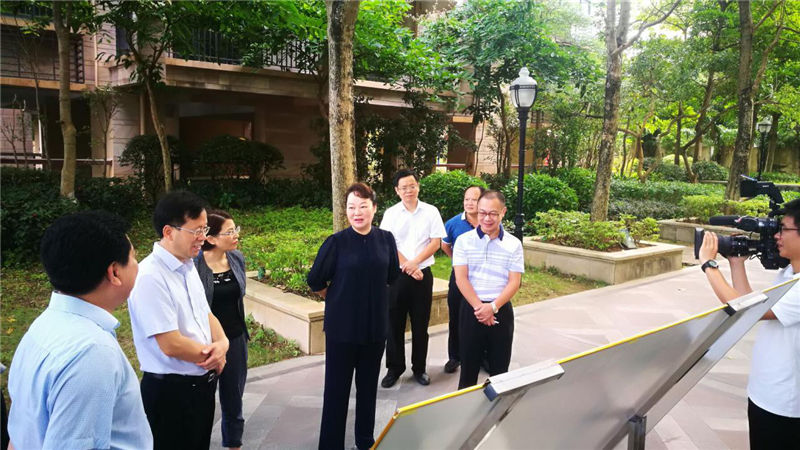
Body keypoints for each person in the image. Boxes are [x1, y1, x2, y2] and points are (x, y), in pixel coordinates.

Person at [7, 211, 152, 449]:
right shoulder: (91, 354)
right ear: (114, 272)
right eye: (133, 257)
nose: (137, 265)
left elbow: (21, 432)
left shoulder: (43, 327)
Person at [128, 190, 229, 450]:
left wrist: (223, 344)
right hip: (171, 393)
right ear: (169, 232)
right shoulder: (150, 276)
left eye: (205, 229)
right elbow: (170, 343)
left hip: (200, 387)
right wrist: (214, 356)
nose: (203, 237)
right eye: (196, 230)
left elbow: (206, 314)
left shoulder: (188, 266)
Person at [698, 197, 800, 449]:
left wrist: (709, 265)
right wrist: (736, 263)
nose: (776, 236)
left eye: (783, 229)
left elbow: (747, 307)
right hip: (764, 393)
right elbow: (752, 306)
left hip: (785, 404)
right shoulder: (789, 273)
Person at [307, 183, 400, 449]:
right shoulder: (336, 243)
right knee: (336, 391)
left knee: (368, 389)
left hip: (374, 329)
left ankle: (365, 440)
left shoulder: (386, 239)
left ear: (374, 208)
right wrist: (335, 296)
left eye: (362, 206)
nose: (357, 212)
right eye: (351, 207)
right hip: (342, 330)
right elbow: (315, 280)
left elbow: (392, 274)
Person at [379, 169, 446, 388]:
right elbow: (388, 243)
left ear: (418, 186)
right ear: (397, 191)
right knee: (393, 324)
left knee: (420, 324)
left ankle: (419, 368)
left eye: (412, 186)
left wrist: (414, 263)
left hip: (422, 275)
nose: (409, 190)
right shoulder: (391, 214)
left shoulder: (431, 211)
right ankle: (394, 368)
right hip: (396, 276)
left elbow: (435, 242)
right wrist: (407, 266)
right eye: (404, 187)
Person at [453, 190, 524, 390]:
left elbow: (514, 282)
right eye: (482, 212)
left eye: (493, 213)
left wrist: (492, 307)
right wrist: (480, 308)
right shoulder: (464, 241)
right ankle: (465, 408)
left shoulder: (513, 244)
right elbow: (461, 278)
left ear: (503, 212)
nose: (486, 218)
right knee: (468, 371)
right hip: (471, 310)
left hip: (500, 309)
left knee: (500, 373)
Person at [195, 210, 248, 450]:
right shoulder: (194, 265)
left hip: (235, 338)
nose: (236, 235)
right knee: (202, 400)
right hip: (205, 344)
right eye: (230, 232)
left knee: (234, 397)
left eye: (236, 230)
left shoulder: (236, 258)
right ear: (211, 238)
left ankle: (234, 444)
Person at [441, 185, 485, 374]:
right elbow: (445, 245)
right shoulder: (453, 223)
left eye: (474, 199)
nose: (469, 203)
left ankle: (482, 356)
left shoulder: (488, 221)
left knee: (482, 315)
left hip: (482, 278)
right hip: (460, 278)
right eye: (466, 199)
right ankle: (455, 356)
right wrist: (457, 262)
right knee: (456, 317)